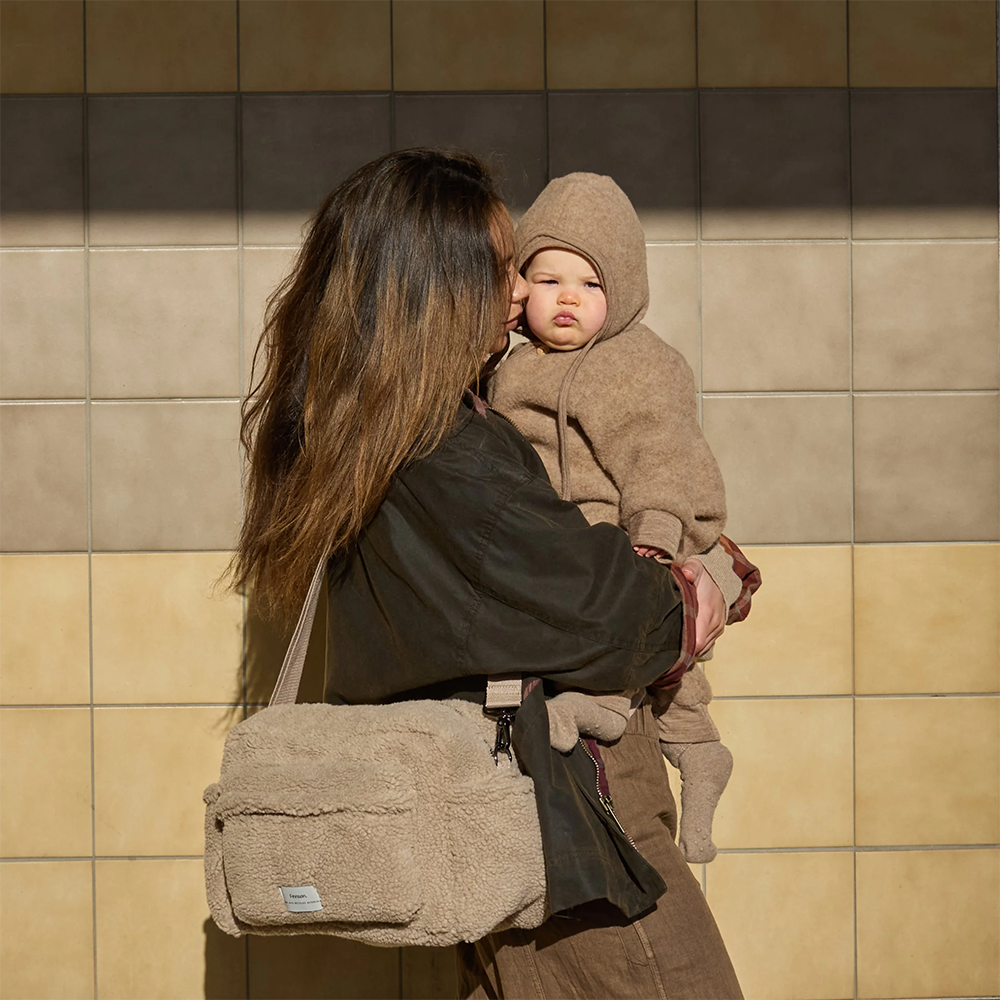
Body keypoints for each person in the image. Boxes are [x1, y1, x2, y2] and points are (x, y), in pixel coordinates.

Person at [233, 148, 753, 999]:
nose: (521, 292)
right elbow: (619, 619)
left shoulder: (361, 439)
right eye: (501, 267)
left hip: (485, 818)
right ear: (436, 288)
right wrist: (709, 580)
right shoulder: (449, 457)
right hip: (564, 816)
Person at [487, 173, 752, 864]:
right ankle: (701, 753)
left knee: (641, 630)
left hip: (632, 528)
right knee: (671, 680)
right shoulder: (511, 368)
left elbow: (660, 457)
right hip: (564, 544)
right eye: (547, 280)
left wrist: (655, 542)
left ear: (625, 290)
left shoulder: (636, 363)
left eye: (591, 283)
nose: (567, 297)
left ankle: (609, 707)